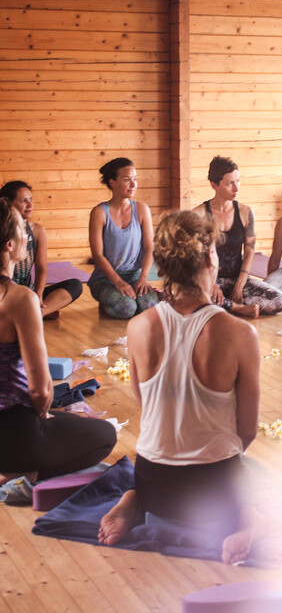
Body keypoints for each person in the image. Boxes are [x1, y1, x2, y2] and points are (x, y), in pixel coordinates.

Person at [98, 210, 263, 565]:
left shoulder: (139, 326)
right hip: (214, 490)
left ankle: (134, 498)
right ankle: (247, 520)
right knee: (259, 474)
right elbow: (247, 432)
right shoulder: (240, 333)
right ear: (208, 256)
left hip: (155, 484)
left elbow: (145, 404)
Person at [0, 198, 116, 485]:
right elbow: (40, 390)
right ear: (10, 246)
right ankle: (20, 473)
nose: (27, 234)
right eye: (21, 229)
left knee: (66, 420)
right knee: (105, 436)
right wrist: (41, 414)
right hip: (13, 430)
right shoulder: (19, 299)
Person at [194, 156, 282, 317]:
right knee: (195, 296)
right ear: (213, 185)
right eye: (230, 184)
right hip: (208, 280)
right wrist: (211, 283)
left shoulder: (245, 212)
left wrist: (240, 284)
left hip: (237, 278)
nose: (236, 188)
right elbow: (196, 256)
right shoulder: (199, 214)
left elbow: (249, 251)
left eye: (238, 181)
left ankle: (225, 305)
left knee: (280, 300)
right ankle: (237, 308)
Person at [88, 158, 160, 320]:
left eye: (135, 179)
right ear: (112, 183)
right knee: (127, 308)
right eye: (127, 180)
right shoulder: (99, 212)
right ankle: (108, 301)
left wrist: (143, 277)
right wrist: (118, 282)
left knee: (149, 308)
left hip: (135, 276)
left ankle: (131, 298)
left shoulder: (142, 209)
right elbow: (97, 255)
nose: (133, 185)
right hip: (105, 279)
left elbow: (150, 248)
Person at [0, 180, 82, 319]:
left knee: (75, 285)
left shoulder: (37, 230)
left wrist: (38, 296)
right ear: (9, 203)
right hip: (6, 293)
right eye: (23, 201)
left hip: (28, 292)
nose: (30, 205)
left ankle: (37, 313)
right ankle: (33, 314)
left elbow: (41, 268)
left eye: (31, 200)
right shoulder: (4, 232)